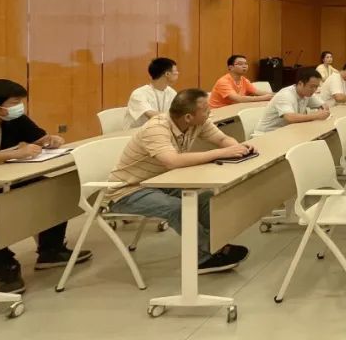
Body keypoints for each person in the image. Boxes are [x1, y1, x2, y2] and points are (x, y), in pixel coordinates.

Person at [108, 88, 252, 274]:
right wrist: (221, 153)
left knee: (207, 198)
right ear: (188, 117)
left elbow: (222, 138)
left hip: (161, 182)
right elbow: (173, 161)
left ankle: (215, 247)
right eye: (205, 110)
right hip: (127, 191)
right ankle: (205, 255)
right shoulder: (156, 128)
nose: (210, 112)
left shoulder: (198, 122)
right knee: (178, 207)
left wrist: (240, 148)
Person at [0, 79, 91, 293]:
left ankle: (51, 250)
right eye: (14, 103)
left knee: (50, 189)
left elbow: (39, 138)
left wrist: (50, 140)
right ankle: (2, 265)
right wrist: (12, 154)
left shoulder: (15, 119)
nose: (20, 107)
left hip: (6, 178)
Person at [254, 67, 329, 135]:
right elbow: (290, 118)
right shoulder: (285, 95)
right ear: (300, 84)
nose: (314, 90)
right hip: (267, 134)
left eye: (316, 87)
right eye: (312, 86)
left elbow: (324, 106)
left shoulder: (307, 93)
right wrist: (316, 115)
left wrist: (323, 110)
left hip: (287, 131)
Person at [124, 57, 179, 129]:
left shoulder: (171, 92)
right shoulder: (139, 94)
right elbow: (151, 115)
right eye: (176, 71)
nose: (178, 73)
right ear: (167, 74)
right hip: (137, 132)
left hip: (160, 130)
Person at [208, 55, 273, 108]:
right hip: (219, 112)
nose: (244, 66)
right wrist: (263, 98)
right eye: (240, 64)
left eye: (246, 64)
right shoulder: (223, 81)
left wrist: (274, 95)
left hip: (234, 108)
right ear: (230, 67)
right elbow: (238, 99)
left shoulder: (244, 80)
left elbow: (257, 92)